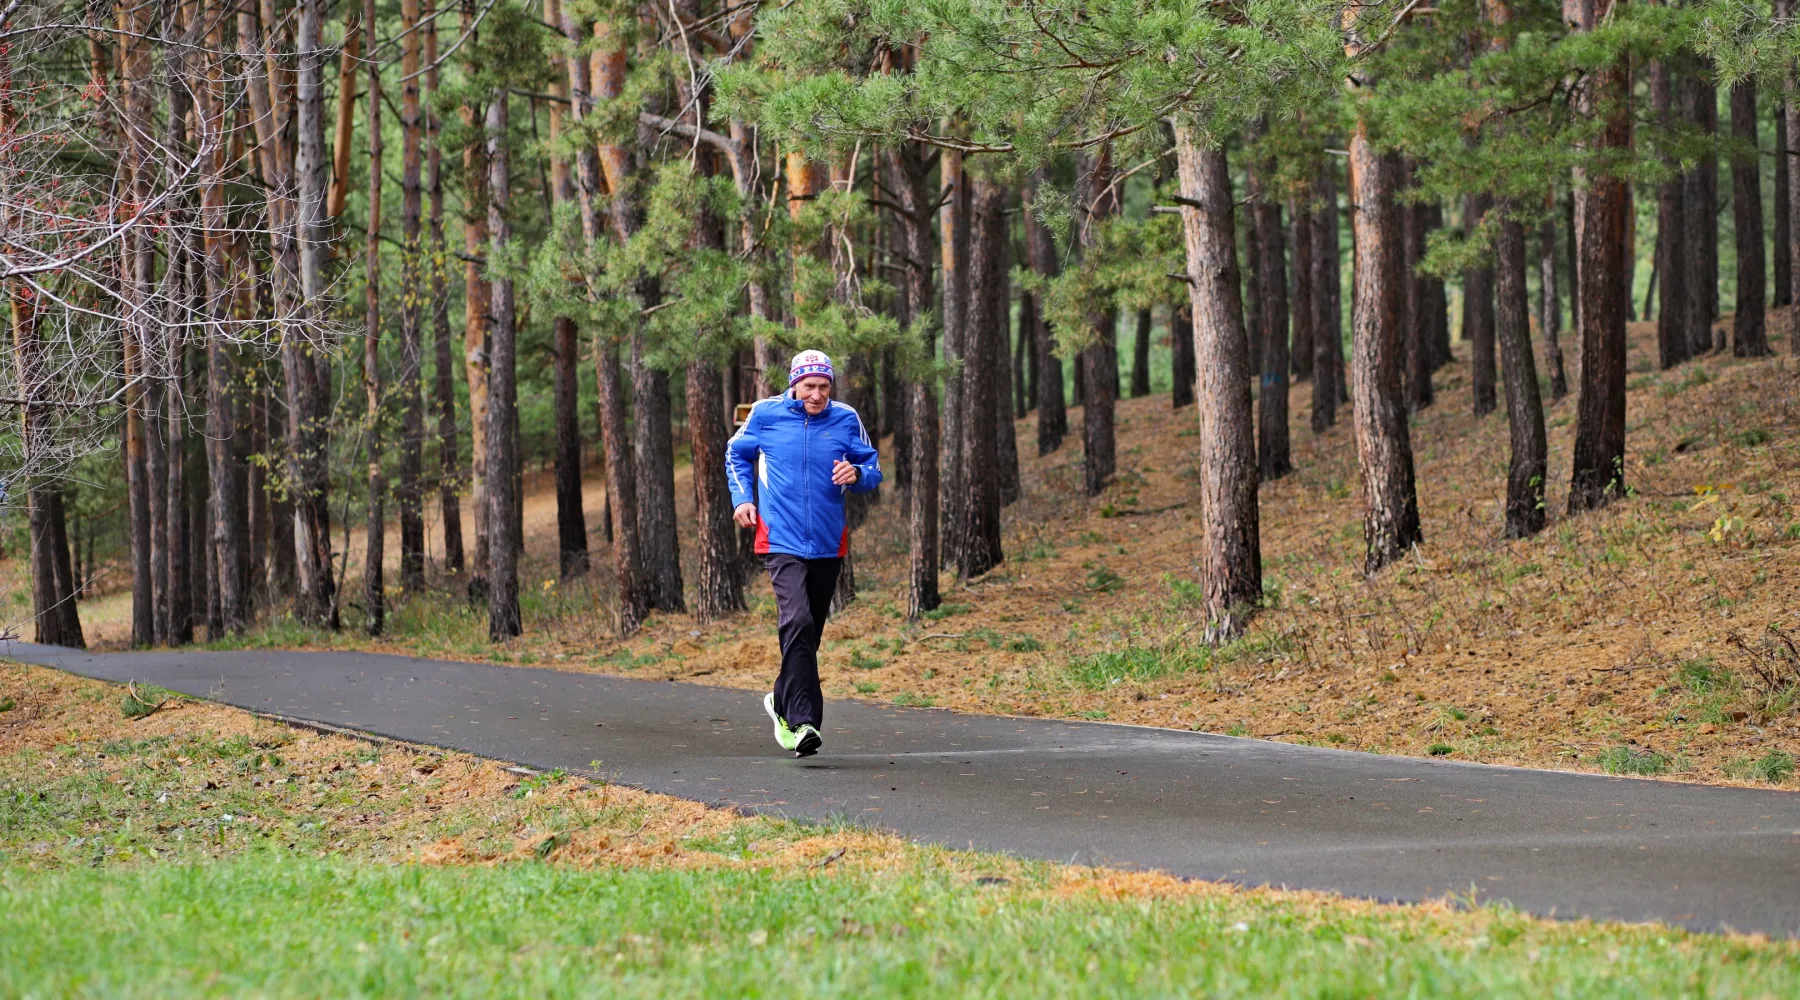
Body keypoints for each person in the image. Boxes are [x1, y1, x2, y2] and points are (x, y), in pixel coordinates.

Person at [725, 350, 882, 757]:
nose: (816, 395)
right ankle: (802, 723)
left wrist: (858, 474)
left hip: (829, 541)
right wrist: (742, 498)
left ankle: (780, 698)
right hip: (780, 538)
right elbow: (735, 454)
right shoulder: (765, 414)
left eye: (824, 387)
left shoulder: (845, 418)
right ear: (794, 383)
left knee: (808, 634)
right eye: (809, 386)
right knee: (795, 620)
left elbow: (872, 468)